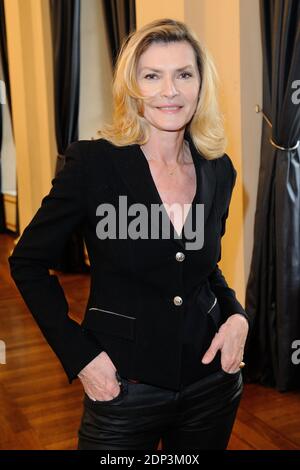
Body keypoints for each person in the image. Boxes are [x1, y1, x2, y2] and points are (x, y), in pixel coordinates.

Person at [8, 18, 251, 450]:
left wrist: (236, 316)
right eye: (152, 76)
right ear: (132, 86)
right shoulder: (92, 164)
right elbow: (26, 262)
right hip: (123, 388)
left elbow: (203, 268)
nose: (169, 91)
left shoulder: (220, 170)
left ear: (201, 84)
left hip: (210, 384)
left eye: (183, 74)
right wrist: (81, 357)